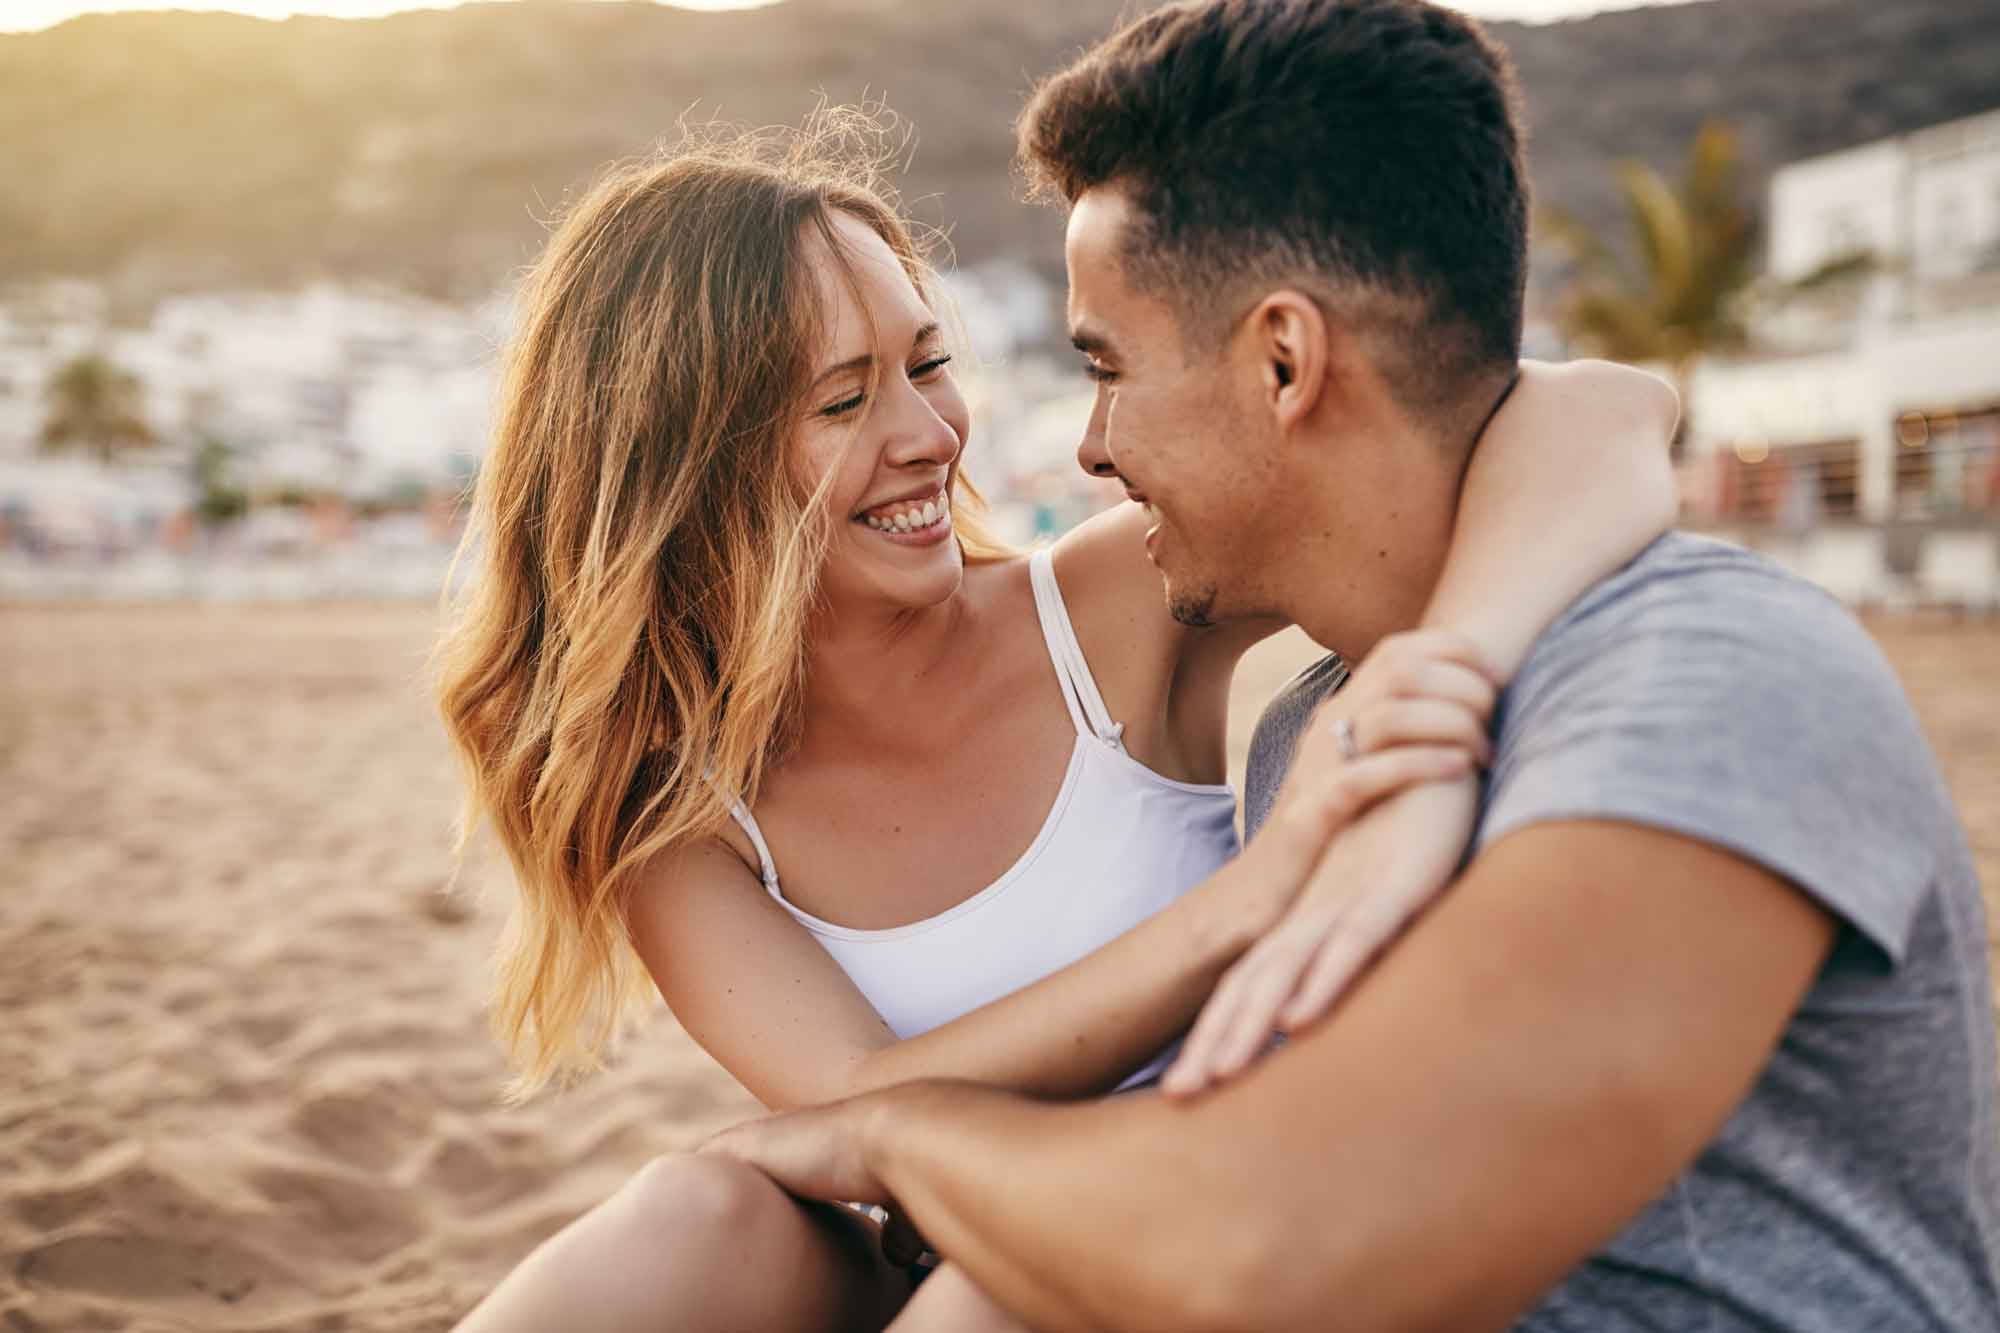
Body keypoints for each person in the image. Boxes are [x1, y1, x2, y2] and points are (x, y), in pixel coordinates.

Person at [703, 2, 2000, 1330]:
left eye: (1109, 368)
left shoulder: (1710, 688)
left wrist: (897, 1137)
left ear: (1284, 359)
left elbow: (1272, 1254)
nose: (1088, 448)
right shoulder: (1311, 732)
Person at [438, 113, 1680, 1332]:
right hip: (950, 1238)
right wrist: (1265, 890)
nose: (929, 437)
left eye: (926, 366)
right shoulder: (677, 812)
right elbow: (859, 1112)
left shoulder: (1112, 608)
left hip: (1215, 1223)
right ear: (684, 465)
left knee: (1006, 1290)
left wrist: (1446, 677)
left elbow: (1606, 406)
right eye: (842, 401)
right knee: (696, 1213)